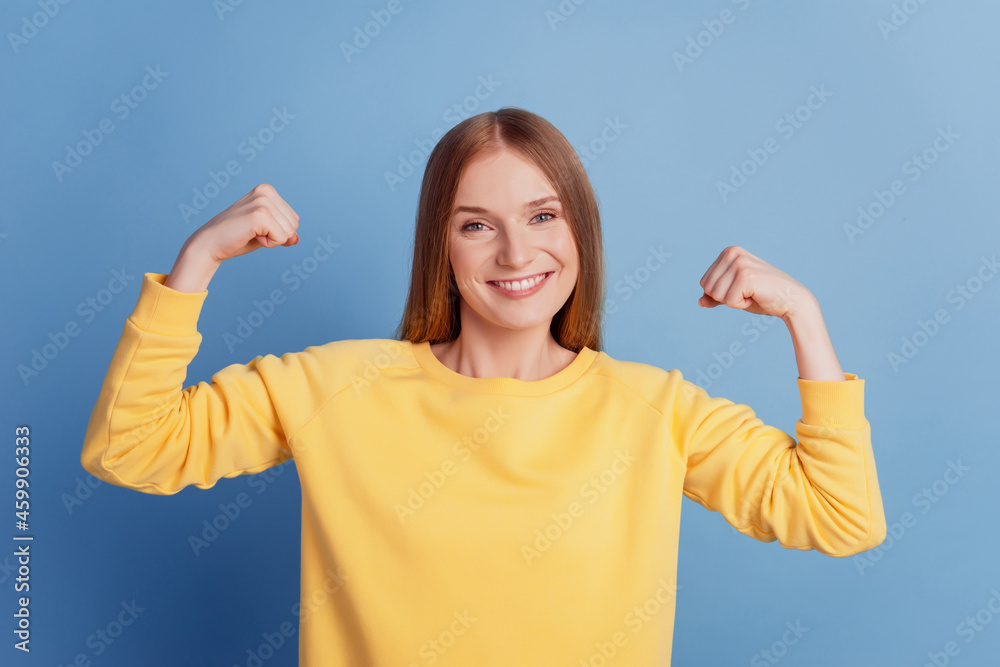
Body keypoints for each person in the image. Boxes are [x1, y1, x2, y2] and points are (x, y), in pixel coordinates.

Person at [81, 106, 886, 666]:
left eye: (543, 216)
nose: (514, 252)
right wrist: (195, 264)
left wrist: (803, 317)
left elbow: (840, 516)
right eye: (476, 224)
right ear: (443, 243)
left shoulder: (657, 411)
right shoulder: (334, 387)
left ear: (580, 231)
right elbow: (130, 447)